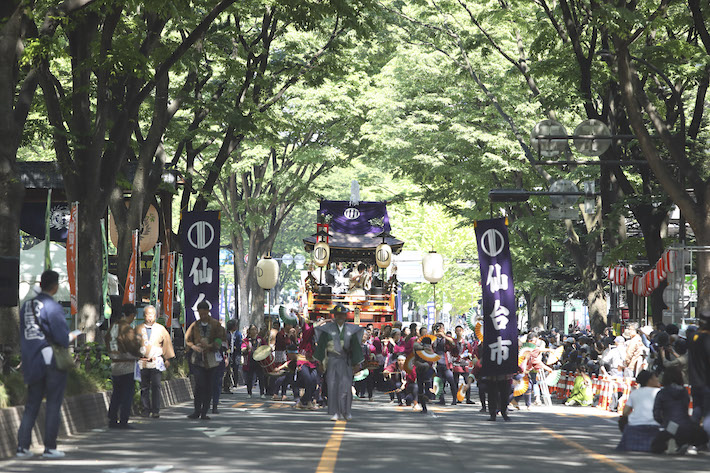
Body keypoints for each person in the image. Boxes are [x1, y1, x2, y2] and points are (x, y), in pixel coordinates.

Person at [16, 270, 72, 458]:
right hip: (51, 360)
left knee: (32, 404)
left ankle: (22, 447)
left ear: (40, 283)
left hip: (31, 359)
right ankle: (49, 447)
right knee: (53, 404)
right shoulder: (52, 306)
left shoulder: (26, 306)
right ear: (55, 286)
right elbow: (62, 338)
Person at [314, 304, 364, 421]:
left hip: (346, 360)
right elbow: (321, 347)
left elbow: (356, 347)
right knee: (332, 386)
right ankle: (335, 412)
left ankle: (346, 411)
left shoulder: (351, 330)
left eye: (342, 314)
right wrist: (321, 362)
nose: (340, 316)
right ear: (334, 315)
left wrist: (357, 363)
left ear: (345, 316)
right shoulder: (327, 329)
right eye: (338, 314)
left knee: (346, 386)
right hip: (332, 359)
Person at [652, 366, 709, 454]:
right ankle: (686, 444)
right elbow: (684, 408)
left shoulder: (662, 393)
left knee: (656, 446)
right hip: (686, 425)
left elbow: (656, 414)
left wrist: (664, 423)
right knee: (701, 434)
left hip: (670, 426)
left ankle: (673, 442)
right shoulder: (684, 392)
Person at [184, 301, 225, 420]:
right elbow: (188, 339)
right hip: (197, 359)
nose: (202, 316)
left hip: (211, 359)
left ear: (208, 311)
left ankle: (204, 411)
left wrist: (211, 345)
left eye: (204, 313)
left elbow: (220, 339)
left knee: (209, 386)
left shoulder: (216, 324)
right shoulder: (195, 325)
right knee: (199, 385)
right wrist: (193, 347)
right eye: (200, 314)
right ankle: (197, 410)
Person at [106, 303, 143, 430]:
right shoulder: (126, 328)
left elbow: (107, 340)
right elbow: (132, 346)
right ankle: (123, 420)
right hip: (127, 363)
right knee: (127, 393)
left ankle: (112, 419)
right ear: (132, 315)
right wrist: (139, 350)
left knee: (116, 393)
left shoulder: (113, 326)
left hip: (115, 363)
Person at [136, 305, 175, 418]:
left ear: (156, 315)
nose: (150, 317)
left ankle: (156, 410)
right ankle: (145, 409)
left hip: (156, 361)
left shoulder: (160, 329)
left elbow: (167, 343)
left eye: (152, 314)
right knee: (144, 387)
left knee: (156, 386)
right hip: (142, 361)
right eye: (148, 314)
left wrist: (167, 359)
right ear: (144, 315)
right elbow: (132, 344)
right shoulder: (138, 329)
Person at [616, 370, 661, 452]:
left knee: (622, 419)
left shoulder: (634, 393)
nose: (658, 379)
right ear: (649, 380)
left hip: (635, 425)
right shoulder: (660, 392)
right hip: (656, 426)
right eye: (655, 378)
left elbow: (625, 412)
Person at [241, 324, 266, 398]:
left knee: (261, 377)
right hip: (250, 360)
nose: (254, 331)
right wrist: (246, 349)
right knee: (249, 377)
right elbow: (242, 349)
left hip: (259, 361)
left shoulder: (260, 339)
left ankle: (262, 393)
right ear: (249, 331)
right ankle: (249, 392)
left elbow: (265, 347)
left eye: (255, 329)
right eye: (252, 329)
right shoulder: (246, 340)